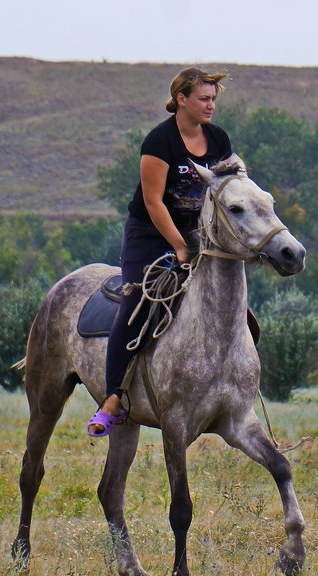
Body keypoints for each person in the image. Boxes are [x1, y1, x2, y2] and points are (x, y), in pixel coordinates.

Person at [87, 68, 233, 437]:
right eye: (204, 98)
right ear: (181, 99)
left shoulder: (218, 138)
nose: (211, 105)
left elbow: (228, 188)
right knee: (137, 301)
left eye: (213, 99)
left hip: (196, 234)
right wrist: (180, 247)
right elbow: (153, 202)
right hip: (149, 235)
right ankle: (113, 397)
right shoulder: (160, 141)